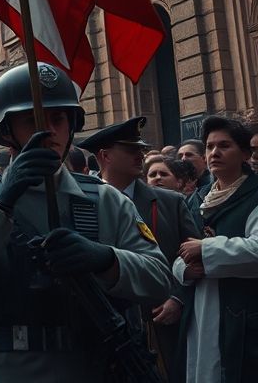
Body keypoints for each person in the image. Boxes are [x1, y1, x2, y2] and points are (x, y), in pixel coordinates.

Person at [0, 63, 173, 382]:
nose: (49, 132)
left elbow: (159, 279)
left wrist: (106, 259)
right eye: (33, 120)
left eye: (58, 119)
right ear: (7, 131)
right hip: (10, 369)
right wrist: (2, 203)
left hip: (95, 365)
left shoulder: (106, 200)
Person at [78, 116, 199, 381]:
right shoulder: (81, 202)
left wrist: (178, 298)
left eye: (141, 149)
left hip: (161, 326)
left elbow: (194, 260)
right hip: (103, 331)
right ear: (105, 156)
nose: (140, 156)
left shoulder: (171, 203)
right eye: (131, 150)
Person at [173, 116, 258, 383]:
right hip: (198, 309)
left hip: (242, 312)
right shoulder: (196, 199)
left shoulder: (254, 196)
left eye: (224, 146)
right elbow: (178, 251)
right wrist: (186, 269)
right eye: (209, 147)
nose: (214, 153)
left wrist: (206, 250)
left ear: (244, 153)